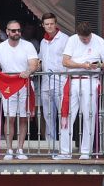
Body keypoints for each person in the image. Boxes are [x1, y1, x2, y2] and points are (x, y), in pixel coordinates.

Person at [59, 21, 104, 160]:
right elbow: (65, 62)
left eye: (88, 37)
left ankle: (86, 152)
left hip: (91, 80)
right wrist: (82, 65)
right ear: (78, 35)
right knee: (67, 116)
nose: (86, 40)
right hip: (74, 80)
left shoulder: (99, 41)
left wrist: (98, 65)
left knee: (89, 115)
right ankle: (65, 152)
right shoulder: (72, 40)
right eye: (83, 38)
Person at [0, 17, 40, 160]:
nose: (16, 32)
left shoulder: (28, 45)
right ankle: (9, 150)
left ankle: (20, 149)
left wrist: (29, 71)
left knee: (24, 118)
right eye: (13, 30)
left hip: (24, 84)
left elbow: (34, 64)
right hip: (8, 86)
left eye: (18, 30)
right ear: (7, 31)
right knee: (10, 118)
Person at [38, 12, 70, 148]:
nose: (49, 26)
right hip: (45, 82)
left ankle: (63, 146)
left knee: (63, 115)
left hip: (61, 81)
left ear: (56, 24)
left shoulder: (65, 39)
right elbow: (41, 61)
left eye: (51, 23)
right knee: (48, 116)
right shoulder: (43, 41)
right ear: (43, 25)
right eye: (47, 24)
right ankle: (51, 147)